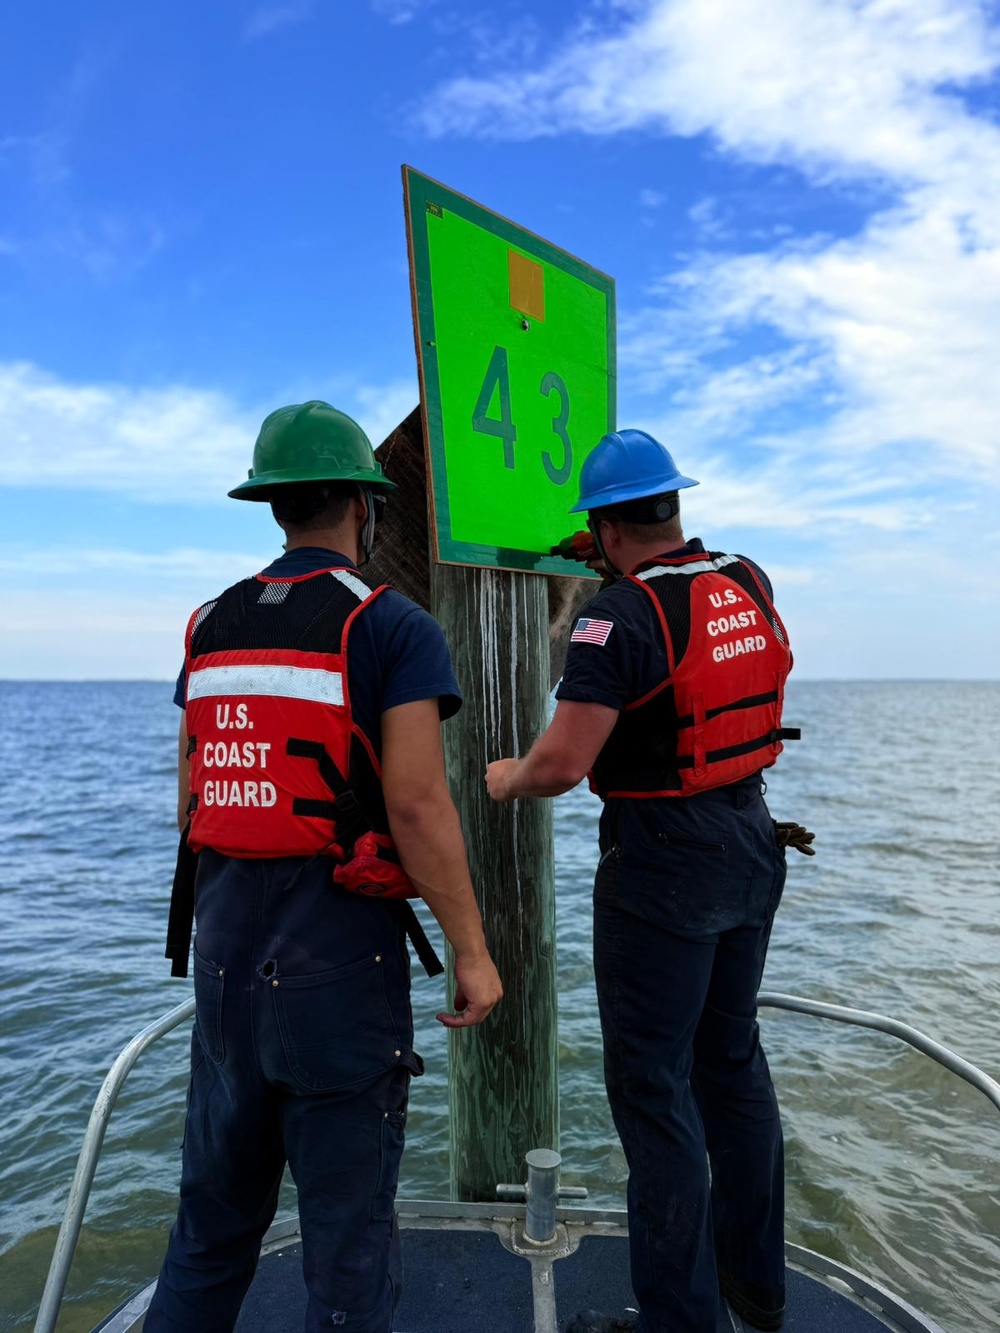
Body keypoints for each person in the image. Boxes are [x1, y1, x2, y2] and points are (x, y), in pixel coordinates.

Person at [148, 400, 503, 1333]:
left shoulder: (208, 624)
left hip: (223, 972)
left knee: (208, 1232)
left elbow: (198, 793)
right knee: (346, 1251)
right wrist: (472, 949)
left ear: (273, 507)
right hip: (336, 977)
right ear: (363, 504)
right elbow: (421, 806)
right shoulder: (390, 626)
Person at [486, 429, 814, 1333]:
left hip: (664, 864)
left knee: (655, 1093)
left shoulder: (614, 618)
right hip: (751, 837)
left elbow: (561, 762)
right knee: (733, 1063)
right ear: (673, 503)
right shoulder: (747, 581)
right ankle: (757, 1290)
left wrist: (504, 776)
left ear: (600, 524)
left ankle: (679, 1320)